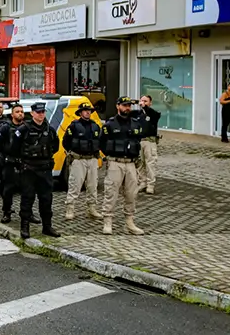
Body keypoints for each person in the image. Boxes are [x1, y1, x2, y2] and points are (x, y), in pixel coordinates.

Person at [9, 102, 59, 239]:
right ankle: (24, 227)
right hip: (29, 169)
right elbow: (14, 148)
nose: (41, 114)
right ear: (32, 113)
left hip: (44, 169)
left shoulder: (50, 129)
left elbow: (56, 147)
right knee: (27, 198)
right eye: (38, 112)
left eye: (42, 112)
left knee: (46, 199)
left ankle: (47, 227)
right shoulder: (24, 129)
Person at [101, 97, 145, 236]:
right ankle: (108, 221)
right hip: (115, 162)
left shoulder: (135, 124)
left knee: (131, 194)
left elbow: (138, 141)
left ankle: (130, 221)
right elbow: (102, 143)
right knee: (111, 192)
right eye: (124, 105)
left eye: (129, 106)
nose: (127, 108)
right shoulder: (110, 124)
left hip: (131, 163)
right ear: (117, 106)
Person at [62, 102, 103, 221]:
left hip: (92, 159)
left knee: (92, 185)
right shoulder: (74, 126)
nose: (88, 112)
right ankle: (70, 208)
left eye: (89, 110)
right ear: (80, 113)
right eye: (85, 110)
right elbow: (66, 142)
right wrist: (72, 152)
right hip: (79, 159)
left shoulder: (95, 126)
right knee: (75, 184)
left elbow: (99, 141)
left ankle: (91, 208)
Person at [0, 102, 28, 225]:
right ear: (12, 114)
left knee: (27, 189)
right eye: (17, 112)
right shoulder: (6, 128)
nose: (20, 114)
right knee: (8, 189)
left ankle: (26, 213)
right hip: (9, 162)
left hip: (24, 162)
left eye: (21, 112)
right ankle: (6, 212)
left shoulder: (27, 127)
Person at [134, 95, 162, 195]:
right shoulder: (137, 114)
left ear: (150, 103)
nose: (143, 103)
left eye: (145, 101)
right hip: (139, 141)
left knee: (150, 164)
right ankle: (142, 182)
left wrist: (145, 107)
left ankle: (151, 185)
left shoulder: (154, 114)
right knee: (140, 163)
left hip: (149, 142)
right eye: (142, 101)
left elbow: (152, 113)